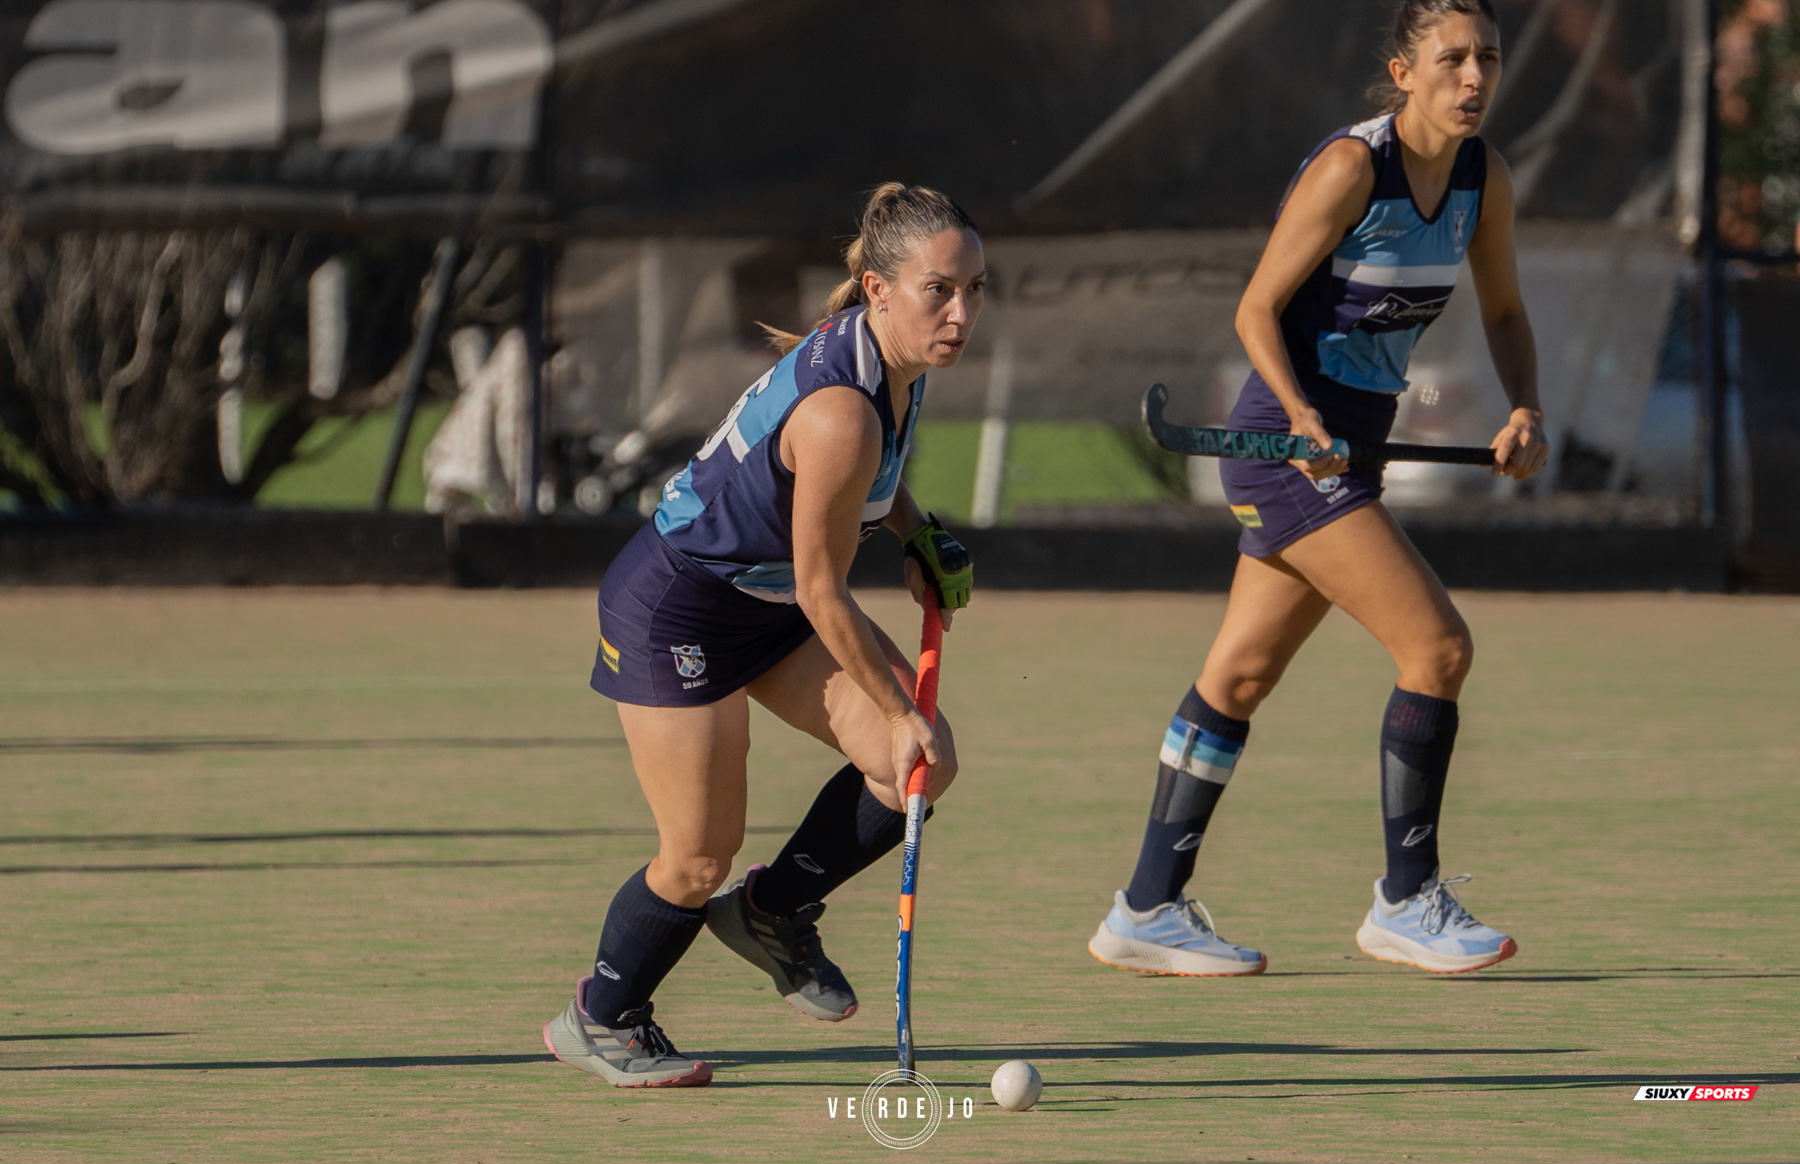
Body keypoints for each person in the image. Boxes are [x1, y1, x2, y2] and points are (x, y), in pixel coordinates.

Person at [1090, 0, 1546, 978]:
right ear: (1403, 70)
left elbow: (1506, 310)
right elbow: (1257, 308)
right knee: (1437, 645)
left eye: (1489, 58)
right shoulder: (1353, 168)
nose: (1474, 77)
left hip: (1353, 450)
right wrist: (1299, 414)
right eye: (1452, 58)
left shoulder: (1482, 178)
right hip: (1283, 449)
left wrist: (1526, 410)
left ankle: (1145, 907)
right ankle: (1405, 899)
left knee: (1240, 678)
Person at [543, 184, 983, 1087]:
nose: (963, 312)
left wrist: (916, 531)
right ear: (877, 289)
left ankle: (773, 912)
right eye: (941, 290)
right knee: (700, 852)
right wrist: (899, 705)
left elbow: (871, 478)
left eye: (975, 287)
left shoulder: (893, 366)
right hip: (679, 610)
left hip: (766, 602)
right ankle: (602, 1014)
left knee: (918, 768)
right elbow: (825, 589)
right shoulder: (840, 409)